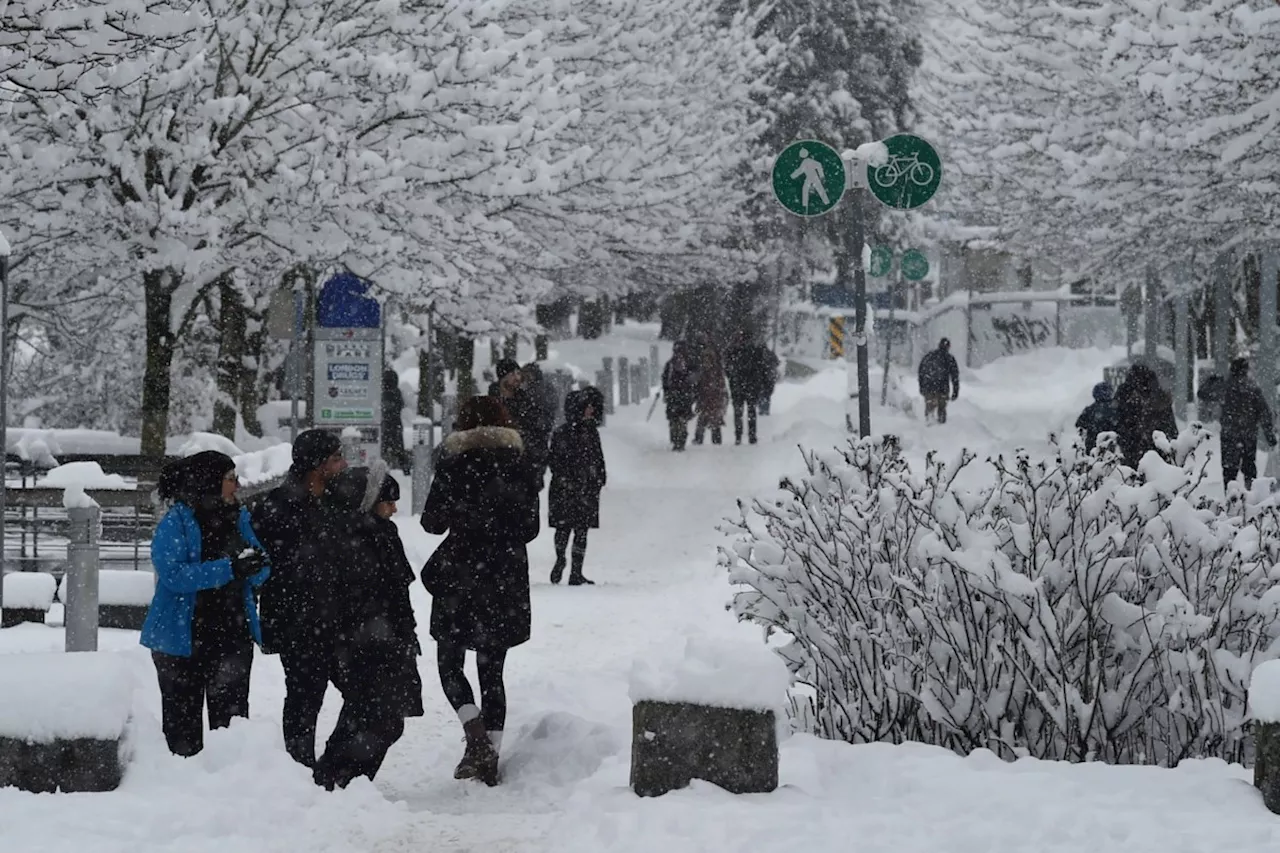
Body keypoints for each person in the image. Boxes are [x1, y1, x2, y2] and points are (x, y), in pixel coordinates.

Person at [420, 397, 539, 786]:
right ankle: (490, 755)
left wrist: (463, 516)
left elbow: (432, 523)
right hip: (504, 574)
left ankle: (475, 737)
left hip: (460, 571)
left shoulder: (454, 462)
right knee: (493, 670)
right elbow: (531, 528)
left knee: (449, 662)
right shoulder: (520, 463)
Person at [142, 451, 271, 757]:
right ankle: (185, 794)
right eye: (230, 479)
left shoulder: (238, 517)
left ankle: (227, 791)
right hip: (181, 640)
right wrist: (230, 568)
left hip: (232, 634)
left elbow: (262, 565)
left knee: (232, 728)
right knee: (181, 732)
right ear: (209, 481)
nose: (237, 486)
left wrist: (255, 567)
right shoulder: (177, 522)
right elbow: (173, 575)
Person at [314, 461, 423, 790]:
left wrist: (405, 632)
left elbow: (398, 593)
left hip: (388, 641)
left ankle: (346, 780)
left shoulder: (383, 534)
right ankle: (338, 780)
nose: (394, 508)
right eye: (387, 500)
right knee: (372, 717)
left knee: (380, 718)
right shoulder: (349, 540)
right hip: (364, 645)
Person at [249, 429, 349, 768]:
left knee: (365, 695)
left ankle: (335, 765)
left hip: (338, 618)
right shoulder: (276, 507)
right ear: (317, 465)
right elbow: (264, 564)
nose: (344, 464)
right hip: (298, 620)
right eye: (336, 458)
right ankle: (300, 768)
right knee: (305, 697)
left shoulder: (340, 501)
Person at [547, 387, 606, 585]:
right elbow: (555, 461)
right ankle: (562, 559)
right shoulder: (565, 433)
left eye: (592, 406)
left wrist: (599, 478)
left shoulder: (589, 433)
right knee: (566, 528)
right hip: (571, 486)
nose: (590, 410)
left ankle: (576, 570)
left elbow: (598, 459)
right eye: (586, 406)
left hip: (583, 487)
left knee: (580, 529)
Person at [1218, 357, 1277, 489]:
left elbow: (1203, 393)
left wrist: (1214, 380)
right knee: (1249, 469)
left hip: (1229, 436)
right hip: (1248, 436)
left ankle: (1231, 500)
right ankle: (1250, 497)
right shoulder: (1252, 388)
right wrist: (1269, 435)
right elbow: (1264, 412)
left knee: (1229, 471)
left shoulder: (1225, 386)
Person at [1113, 363, 1178, 464]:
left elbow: (1116, 417)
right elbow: (1170, 425)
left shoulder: (1125, 392)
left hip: (1131, 443)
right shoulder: (1159, 397)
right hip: (1156, 443)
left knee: (1132, 470)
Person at [726, 337, 768, 446]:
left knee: (740, 413)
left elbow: (728, 370)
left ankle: (740, 436)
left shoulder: (734, 352)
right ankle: (750, 436)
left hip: (740, 387)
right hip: (749, 387)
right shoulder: (754, 352)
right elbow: (761, 368)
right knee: (750, 412)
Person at [662, 341, 697, 452]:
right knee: (682, 419)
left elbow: (665, 379)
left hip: (673, 395)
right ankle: (681, 440)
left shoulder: (671, 364)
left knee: (674, 419)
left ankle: (676, 438)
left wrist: (666, 391)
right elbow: (694, 379)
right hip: (685, 395)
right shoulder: (690, 363)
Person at [917, 338, 960, 424]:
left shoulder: (929, 356)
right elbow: (955, 376)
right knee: (942, 409)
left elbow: (921, 371)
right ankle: (941, 427)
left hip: (929, 387)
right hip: (942, 389)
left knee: (929, 409)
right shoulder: (949, 358)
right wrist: (955, 391)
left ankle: (928, 426)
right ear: (948, 347)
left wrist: (922, 387)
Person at [693, 343, 728, 446]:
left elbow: (721, 387)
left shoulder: (716, 371)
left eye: (708, 359)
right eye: (705, 359)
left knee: (714, 421)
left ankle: (716, 440)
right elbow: (697, 385)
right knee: (702, 420)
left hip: (714, 400)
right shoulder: (702, 371)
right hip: (704, 399)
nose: (706, 361)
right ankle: (699, 439)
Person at [1075, 382, 1119, 452]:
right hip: (1113, 444)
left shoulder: (1090, 409)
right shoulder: (1116, 409)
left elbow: (1079, 424)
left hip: (1093, 445)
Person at [382, 368, 407, 471]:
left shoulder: (383, 393)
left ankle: (385, 465)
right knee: (399, 448)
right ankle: (405, 467)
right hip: (395, 424)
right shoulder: (397, 392)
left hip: (385, 424)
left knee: (383, 447)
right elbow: (400, 405)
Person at [757, 346, 780, 416]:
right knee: (767, 395)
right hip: (769, 377)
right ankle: (766, 409)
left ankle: (761, 408)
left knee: (761, 393)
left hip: (761, 377)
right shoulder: (771, 354)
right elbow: (777, 363)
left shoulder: (758, 354)